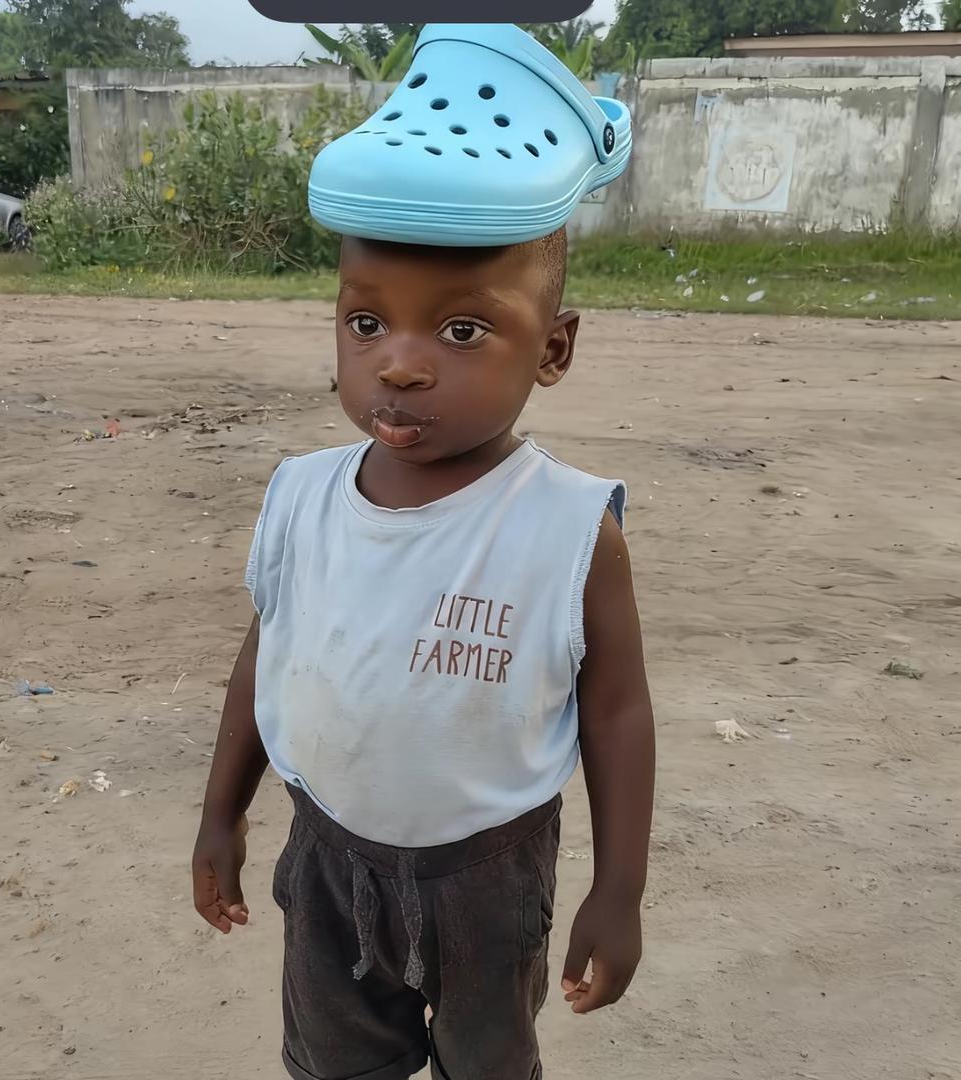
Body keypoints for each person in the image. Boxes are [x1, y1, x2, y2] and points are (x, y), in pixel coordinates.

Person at [191, 225, 655, 1080]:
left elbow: (617, 710)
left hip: (491, 877)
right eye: (366, 325)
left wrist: (619, 890)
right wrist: (222, 815)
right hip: (327, 858)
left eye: (462, 332)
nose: (398, 366)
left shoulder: (569, 527)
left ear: (552, 349)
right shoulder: (302, 497)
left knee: (486, 1065)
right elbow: (268, 651)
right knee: (336, 1062)